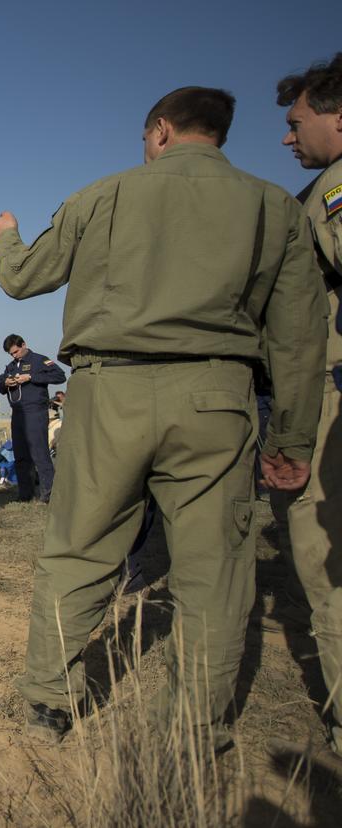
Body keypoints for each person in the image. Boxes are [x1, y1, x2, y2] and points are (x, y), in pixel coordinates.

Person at [0, 86, 326, 748]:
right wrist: (291, 436)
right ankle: (192, 729)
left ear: (161, 132)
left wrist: (8, 236)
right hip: (217, 399)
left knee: (78, 549)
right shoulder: (275, 207)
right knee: (215, 571)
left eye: (146, 140)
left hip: (109, 392)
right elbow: (299, 337)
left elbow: (24, 277)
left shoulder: (101, 196)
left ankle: (49, 706)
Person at [274, 52, 342, 756]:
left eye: (297, 124)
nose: (290, 138)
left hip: (331, 405)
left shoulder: (335, 188)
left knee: (324, 557)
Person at [0, 335, 65, 502]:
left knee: (39, 453)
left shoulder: (39, 360)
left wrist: (31, 377)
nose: (14, 356)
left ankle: (49, 494)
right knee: (21, 456)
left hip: (35, 412)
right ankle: (25, 494)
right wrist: (6, 382)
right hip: (18, 414)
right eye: (11, 354)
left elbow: (60, 376)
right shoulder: (11, 366)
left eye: (16, 352)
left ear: (24, 344)